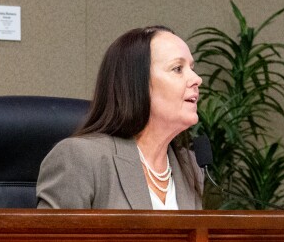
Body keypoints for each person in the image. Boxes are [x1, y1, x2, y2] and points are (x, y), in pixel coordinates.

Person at [37, 25, 204, 210]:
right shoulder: (80, 159)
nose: (197, 79)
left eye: (192, 68)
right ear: (136, 83)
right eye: (178, 68)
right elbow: (53, 239)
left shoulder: (189, 166)